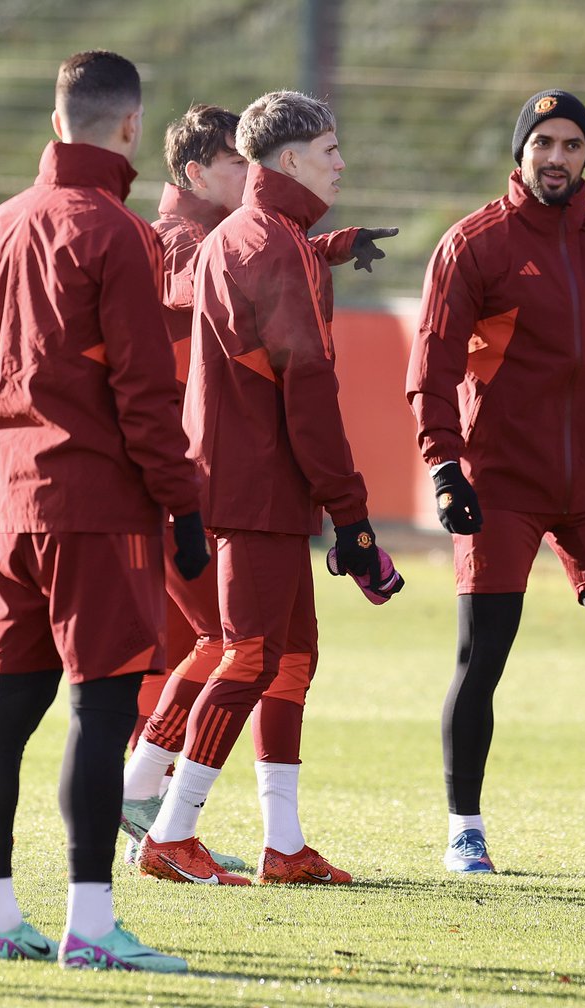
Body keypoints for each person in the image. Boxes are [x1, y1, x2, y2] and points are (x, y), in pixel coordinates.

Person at [0, 50, 210, 972]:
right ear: (132, 126)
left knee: (7, 706)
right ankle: (92, 926)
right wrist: (181, 508)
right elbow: (148, 393)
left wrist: (14, 461)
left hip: (14, 502)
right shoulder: (118, 233)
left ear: (57, 116)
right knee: (103, 713)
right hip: (98, 507)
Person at [406, 89, 585, 877]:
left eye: (571, 144)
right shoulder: (475, 245)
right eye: (544, 143)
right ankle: (465, 830)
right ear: (521, 152)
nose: (558, 157)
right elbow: (429, 368)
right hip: (499, 482)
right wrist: (443, 463)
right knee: (483, 658)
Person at [133, 90, 403, 887]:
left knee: (290, 659)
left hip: (254, 484)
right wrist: (352, 517)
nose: (341, 163)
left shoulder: (257, 236)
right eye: (328, 150)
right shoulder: (270, 245)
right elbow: (307, 390)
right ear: (287, 161)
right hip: (252, 488)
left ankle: (280, 844)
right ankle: (166, 831)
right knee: (246, 655)